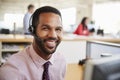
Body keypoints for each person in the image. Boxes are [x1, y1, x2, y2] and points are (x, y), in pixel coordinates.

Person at [0, 6, 66, 80]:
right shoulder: (11, 71)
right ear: (32, 31)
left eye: (58, 29)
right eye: (45, 28)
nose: (53, 35)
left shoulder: (61, 61)